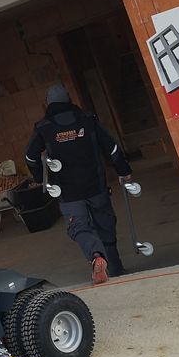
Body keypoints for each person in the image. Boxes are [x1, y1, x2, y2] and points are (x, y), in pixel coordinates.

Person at [25, 84, 133, 283]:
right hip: (96, 186)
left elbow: (30, 157)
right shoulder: (88, 119)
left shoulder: (43, 128)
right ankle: (116, 269)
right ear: (69, 99)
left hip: (68, 193)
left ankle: (96, 257)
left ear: (47, 104)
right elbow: (112, 147)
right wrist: (124, 171)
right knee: (106, 226)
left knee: (80, 228)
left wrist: (41, 179)